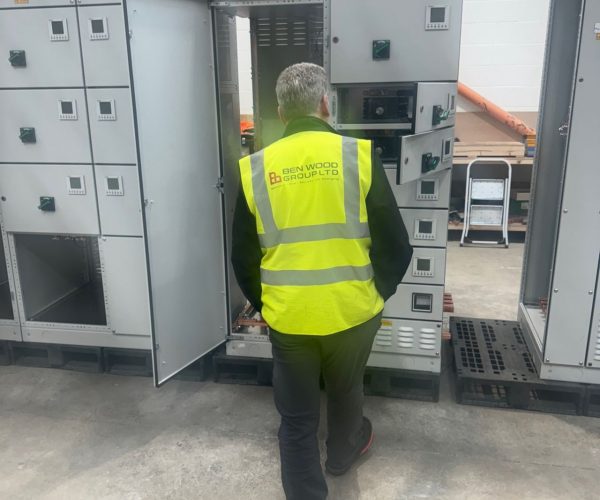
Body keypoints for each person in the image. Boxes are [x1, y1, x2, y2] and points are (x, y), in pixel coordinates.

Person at [231, 62, 412, 500]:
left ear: (281, 111)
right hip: (352, 311)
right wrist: (374, 293)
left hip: (290, 317)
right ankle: (341, 455)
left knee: (295, 420)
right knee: (346, 390)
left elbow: (242, 257)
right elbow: (397, 246)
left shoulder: (255, 168)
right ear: (325, 103)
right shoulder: (360, 156)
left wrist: (269, 305)